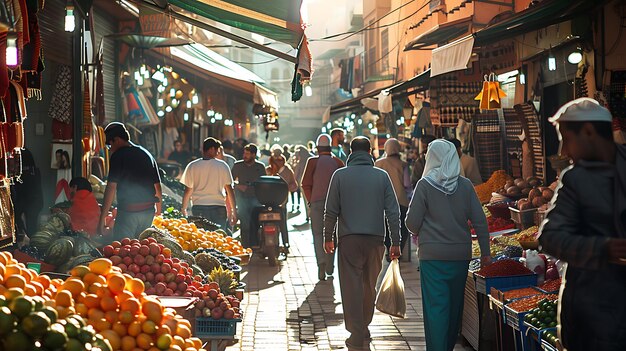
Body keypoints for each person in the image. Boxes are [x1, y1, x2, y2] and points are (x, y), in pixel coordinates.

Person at [538, 98, 626, 351]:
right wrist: (603, 248)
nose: (564, 151)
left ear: (588, 131)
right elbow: (550, 236)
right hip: (593, 313)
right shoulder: (576, 180)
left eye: (566, 139)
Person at [405, 139, 490, 351]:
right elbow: (480, 220)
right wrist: (486, 253)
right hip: (460, 256)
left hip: (433, 258)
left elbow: (411, 224)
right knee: (454, 307)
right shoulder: (465, 185)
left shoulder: (424, 186)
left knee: (436, 308)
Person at [323, 136, 401, 350]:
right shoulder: (381, 176)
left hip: (348, 240)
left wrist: (327, 237)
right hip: (375, 241)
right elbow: (393, 212)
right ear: (369, 151)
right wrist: (395, 241)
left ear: (351, 152)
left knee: (351, 287)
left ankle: (356, 332)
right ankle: (363, 326)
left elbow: (331, 211)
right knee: (369, 286)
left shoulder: (339, 176)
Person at [98, 122, 162, 240]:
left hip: (129, 212)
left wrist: (103, 217)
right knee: (142, 250)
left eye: (109, 145)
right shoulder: (146, 153)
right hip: (148, 211)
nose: (109, 149)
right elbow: (157, 185)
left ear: (116, 140)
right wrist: (159, 210)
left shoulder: (118, 156)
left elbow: (111, 187)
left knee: (125, 250)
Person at [302, 134, 344, 280]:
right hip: (335, 205)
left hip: (317, 203)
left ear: (318, 148)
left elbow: (305, 184)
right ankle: (330, 265)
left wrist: (310, 200)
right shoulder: (338, 162)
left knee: (318, 234)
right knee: (332, 234)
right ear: (330, 147)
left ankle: (321, 263)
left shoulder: (312, 162)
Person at [180, 137, 237, 234]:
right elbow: (229, 190)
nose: (218, 153)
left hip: (199, 207)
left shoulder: (192, 166)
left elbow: (188, 190)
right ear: (211, 149)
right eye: (217, 150)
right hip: (218, 208)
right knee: (218, 238)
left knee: (203, 239)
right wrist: (234, 211)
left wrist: (184, 208)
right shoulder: (222, 166)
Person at [375, 138, 411, 259]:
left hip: (382, 202)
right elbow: (407, 185)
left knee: (384, 228)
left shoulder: (378, 163)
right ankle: (397, 250)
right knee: (401, 228)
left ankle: (388, 249)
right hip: (401, 200)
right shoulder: (403, 164)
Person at [231, 144, 266, 248]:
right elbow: (230, 181)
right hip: (242, 198)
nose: (244, 156)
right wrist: (238, 186)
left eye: (247, 154)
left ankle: (255, 245)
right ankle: (245, 246)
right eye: (244, 153)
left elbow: (264, 181)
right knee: (245, 223)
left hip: (256, 199)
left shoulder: (260, 167)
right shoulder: (238, 165)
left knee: (256, 222)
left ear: (254, 155)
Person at [266, 148, 298, 254]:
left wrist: (286, 187)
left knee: (283, 224)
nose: (277, 162)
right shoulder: (268, 170)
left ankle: (285, 244)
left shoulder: (287, 170)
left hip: (282, 202)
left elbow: (294, 185)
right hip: (268, 202)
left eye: (279, 160)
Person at [11, 148, 43, 239]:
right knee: (31, 227)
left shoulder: (23, 174)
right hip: (33, 201)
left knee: (23, 225)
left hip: (26, 200)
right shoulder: (34, 172)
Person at [292, 145, 313, 214]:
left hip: (303, 182)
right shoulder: (311, 157)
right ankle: (312, 213)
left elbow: (296, 174)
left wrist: (293, 181)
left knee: (306, 199)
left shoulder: (300, 162)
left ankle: (308, 214)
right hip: (313, 181)